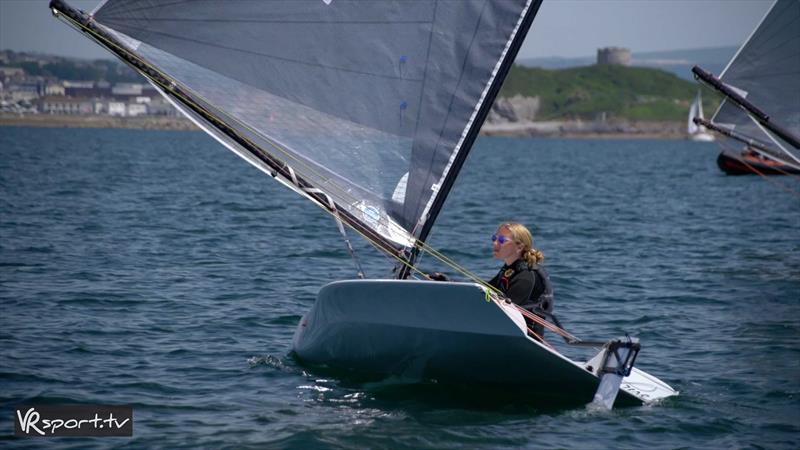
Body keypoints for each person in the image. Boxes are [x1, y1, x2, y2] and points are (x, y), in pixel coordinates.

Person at [487, 222, 554, 338]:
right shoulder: (509, 270)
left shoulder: (526, 276)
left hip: (525, 340)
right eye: (494, 238)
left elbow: (505, 313)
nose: (495, 243)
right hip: (505, 335)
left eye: (502, 240)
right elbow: (484, 288)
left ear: (519, 246)